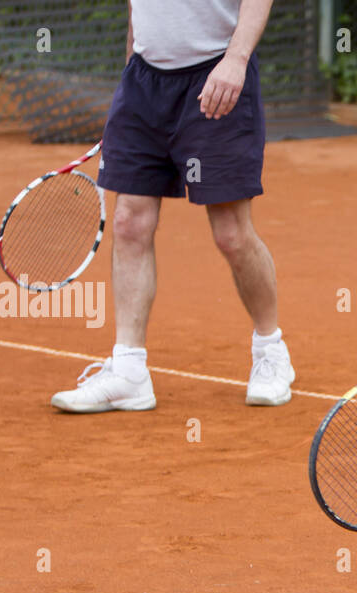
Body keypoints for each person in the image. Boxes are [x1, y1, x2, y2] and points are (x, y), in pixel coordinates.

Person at [52, 0, 295, 413]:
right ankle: (129, 369)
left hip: (216, 75)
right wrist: (131, 67)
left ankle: (271, 350)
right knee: (129, 222)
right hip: (143, 84)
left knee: (232, 234)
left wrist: (237, 59)